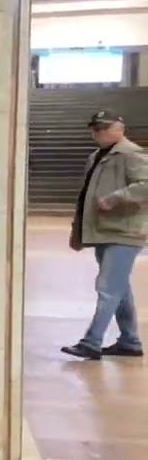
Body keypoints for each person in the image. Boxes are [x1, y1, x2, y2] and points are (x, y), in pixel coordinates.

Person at [64, 110, 148, 360]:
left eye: (103, 128)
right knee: (119, 289)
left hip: (125, 231)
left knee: (108, 288)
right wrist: (78, 231)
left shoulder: (131, 154)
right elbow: (85, 197)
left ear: (119, 129)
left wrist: (116, 198)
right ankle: (130, 341)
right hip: (104, 231)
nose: (97, 133)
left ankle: (91, 342)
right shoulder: (96, 157)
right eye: (95, 129)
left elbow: (146, 185)